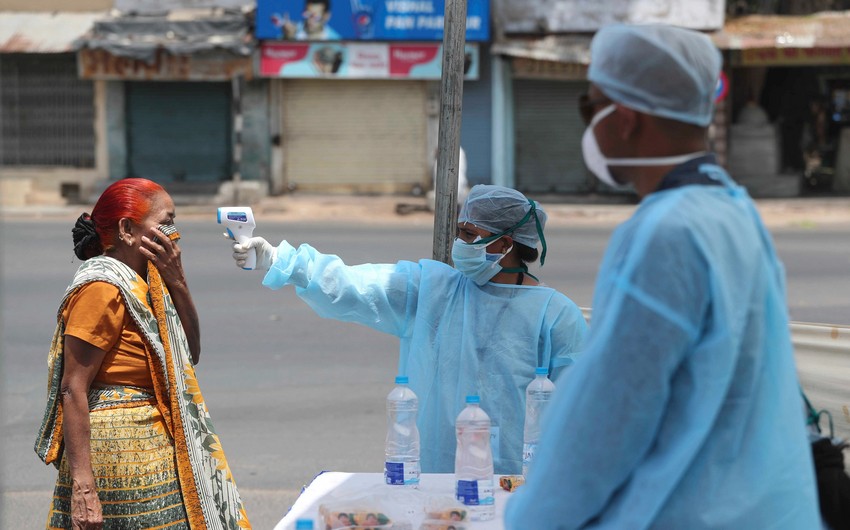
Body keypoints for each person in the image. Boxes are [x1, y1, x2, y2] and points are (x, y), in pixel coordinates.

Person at [505, 24, 821, 529]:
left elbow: (606, 419)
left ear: (625, 120)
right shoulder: (734, 209)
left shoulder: (665, 232)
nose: (588, 128)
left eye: (591, 108)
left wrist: (531, 519)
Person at [228, 184, 587, 474]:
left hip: (518, 483)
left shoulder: (556, 316)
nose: (459, 243)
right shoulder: (433, 289)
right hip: (434, 475)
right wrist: (280, 260)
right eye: (459, 231)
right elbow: (356, 284)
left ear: (504, 244)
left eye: (468, 234)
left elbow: (580, 412)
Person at [35, 178, 250, 529]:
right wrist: (84, 487)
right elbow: (73, 387)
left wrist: (177, 280)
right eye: (165, 222)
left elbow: (190, 353)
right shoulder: (102, 288)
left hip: (153, 441)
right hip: (118, 450)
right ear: (127, 229)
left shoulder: (150, 283)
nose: (173, 233)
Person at [272, 0, 341, 41]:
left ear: (326, 16)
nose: (309, 20)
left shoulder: (336, 40)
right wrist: (288, 38)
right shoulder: (290, 32)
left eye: (314, 16)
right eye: (307, 14)